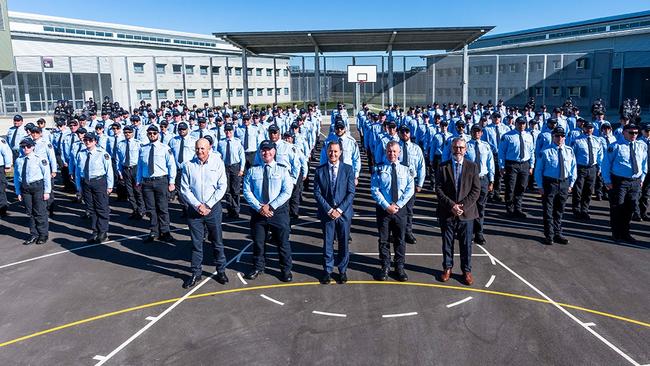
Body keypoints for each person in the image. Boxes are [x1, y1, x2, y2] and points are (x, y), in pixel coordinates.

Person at [180, 138, 229, 289]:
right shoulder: (188, 166)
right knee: (196, 244)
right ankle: (196, 272)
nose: (200, 151)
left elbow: (222, 186)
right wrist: (197, 205)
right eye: (197, 149)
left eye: (203, 148)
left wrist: (207, 205)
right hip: (194, 211)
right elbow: (184, 189)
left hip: (212, 209)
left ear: (209, 149)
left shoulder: (217, 163)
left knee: (217, 242)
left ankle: (221, 270)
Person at [243, 140, 294, 282]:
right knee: (258, 243)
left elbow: (287, 191)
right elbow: (247, 191)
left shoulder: (282, 170)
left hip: (278, 212)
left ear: (274, 152)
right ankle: (258, 267)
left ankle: (286, 270)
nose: (266, 153)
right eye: (263, 150)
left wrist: (270, 207)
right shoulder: (253, 170)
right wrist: (260, 207)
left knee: (283, 243)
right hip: (258, 212)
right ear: (260, 152)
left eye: (269, 150)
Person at [435, 137, 481, 286]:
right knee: (447, 243)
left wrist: (462, 207)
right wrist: (452, 206)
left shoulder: (472, 167)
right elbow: (439, 189)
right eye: (455, 147)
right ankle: (447, 268)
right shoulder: (443, 166)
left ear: (465, 150)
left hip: (466, 213)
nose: (458, 150)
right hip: (447, 212)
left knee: (466, 244)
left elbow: (476, 190)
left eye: (461, 148)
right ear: (451, 149)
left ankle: (466, 271)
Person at [313, 140, 355, 284]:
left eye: (336, 151)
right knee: (328, 243)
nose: (333, 154)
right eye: (330, 151)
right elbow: (317, 193)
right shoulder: (320, 170)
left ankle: (342, 270)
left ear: (340, 153)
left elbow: (351, 193)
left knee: (343, 243)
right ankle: (328, 270)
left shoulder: (348, 169)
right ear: (326, 151)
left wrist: (340, 209)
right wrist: (330, 209)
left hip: (344, 214)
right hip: (327, 213)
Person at [370, 141, 414, 282]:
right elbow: (374, 189)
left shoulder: (406, 170)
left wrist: (398, 205)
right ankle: (385, 266)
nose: (392, 154)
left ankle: (399, 267)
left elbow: (410, 190)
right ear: (386, 152)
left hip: (400, 210)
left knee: (400, 239)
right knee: (384, 240)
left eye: (394, 151)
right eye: (389, 151)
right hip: (384, 210)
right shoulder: (379, 169)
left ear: (399, 153)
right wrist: (386, 205)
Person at [601, 124, 648, 244]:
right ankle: (616, 233)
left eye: (636, 133)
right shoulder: (615, 146)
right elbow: (606, 164)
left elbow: (644, 163)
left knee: (629, 209)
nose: (634, 135)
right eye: (631, 133)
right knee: (617, 207)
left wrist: (642, 178)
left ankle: (626, 233)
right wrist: (607, 181)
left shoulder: (641, 146)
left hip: (635, 182)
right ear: (623, 132)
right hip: (619, 181)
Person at [534, 127, 577, 245]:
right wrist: (540, 186)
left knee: (559, 210)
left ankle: (558, 233)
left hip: (564, 183)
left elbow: (573, 168)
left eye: (562, 136)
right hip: (550, 183)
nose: (560, 138)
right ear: (553, 136)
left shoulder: (569, 150)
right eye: (557, 136)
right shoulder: (545, 151)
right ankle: (549, 235)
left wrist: (571, 184)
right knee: (548, 210)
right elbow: (538, 170)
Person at [136, 125, 177, 243]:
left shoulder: (165, 148)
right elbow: (140, 166)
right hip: (147, 182)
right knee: (151, 209)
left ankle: (165, 231)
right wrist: (138, 181)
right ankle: (154, 231)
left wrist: (172, 182)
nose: (152, 135)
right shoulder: (143, 148)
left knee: (162, 208)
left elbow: (171, 165)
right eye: (150, 133)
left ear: (158, 134)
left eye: (154, 133)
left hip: (161, 181)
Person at [74, 132, 114, 244]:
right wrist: (78, 186)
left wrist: (110, 186)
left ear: (95, 141)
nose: (87, 142)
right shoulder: (81, 154)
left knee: (101, 208)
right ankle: (95, 231)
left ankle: (103, 232)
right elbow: (78, 171)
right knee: (91, 209)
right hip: (86, 183)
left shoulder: (102, 154)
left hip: (99, 182)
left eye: (90, 140)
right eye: (85, 140)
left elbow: (109, 171)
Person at [14, 138, 51, 245]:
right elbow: (16, 177)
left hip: (37, 187)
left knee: (40, 212)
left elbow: (46, 176)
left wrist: (47, 191)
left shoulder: (40, 159)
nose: (26, 148)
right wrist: (18, 191)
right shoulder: (19, 160)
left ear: (33, 146)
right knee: (30, 213)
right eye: (23, 146)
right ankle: (33, 234)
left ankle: (43, 234)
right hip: (25, 188)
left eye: (28, 146)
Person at [498, 117, 535, 218]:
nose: (522, 125)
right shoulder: (507, 136)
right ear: (516, 124)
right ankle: (510, 209)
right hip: (511, 164)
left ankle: (518, 208)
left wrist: (531, 166)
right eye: (520, 123)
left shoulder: (529, 136)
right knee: (510, 187)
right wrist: (501, 166)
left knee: (522, 186)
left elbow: (531, 151)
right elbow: (502, 152)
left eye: (524, 123)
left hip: (524, 164)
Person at [465, 125, 494, 245]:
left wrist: (491, 180)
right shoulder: (466, 145)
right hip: (469, 179)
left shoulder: (486, 146)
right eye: (474, 131)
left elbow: (490, 163)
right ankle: (468, 233)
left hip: (482, 179)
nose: (476, 133)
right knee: (468, 206)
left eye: (478, 131)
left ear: (481, 133)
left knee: (481, 207)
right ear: (471, 132)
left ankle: (479, 233)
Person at [398, 125, 425, 244]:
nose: (404, 134)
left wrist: (419, 183)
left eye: (407, 131)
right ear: (399, 133)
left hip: (410, 182)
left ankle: (408, 232)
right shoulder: (394, 146)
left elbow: (421, 166)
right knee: (396, 208)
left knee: (409, 209)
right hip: (397, 182)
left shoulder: (416, 148)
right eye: (402, 131)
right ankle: (397, 232)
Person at [570, 121, 603, 220]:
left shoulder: (597, 140)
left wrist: (599, 168)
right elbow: (572, 156)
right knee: (578, 190)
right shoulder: (577, 141)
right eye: (587, 127)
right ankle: (576, 209)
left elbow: (600, 155)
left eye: (591, 128)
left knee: (588, 191)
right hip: (580, 168)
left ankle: (584, 210)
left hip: (592, 168)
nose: (589, 129)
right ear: (583, 128)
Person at [116, 126, 145, 219]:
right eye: (125, 132)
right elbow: (118, 160)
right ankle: (135, 210)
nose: (127, 134)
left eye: (129, 132)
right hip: (125, 169)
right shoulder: (120, 144)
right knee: (129, 192)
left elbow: (142, 159)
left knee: (138, 190)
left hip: (135, 169)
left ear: (132, 133)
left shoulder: (138, 144)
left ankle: (142, 209)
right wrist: (119, 172)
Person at [217, 123, 246, 218]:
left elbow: (242, 157)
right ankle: (230, 210)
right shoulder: (221, 142)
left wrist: (241, 169)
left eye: (230, 131)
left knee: (236, 190)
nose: (228, 133)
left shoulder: (237, 142)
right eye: (226, 131)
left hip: (235, 167)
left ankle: (236, 210)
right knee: (227, 190)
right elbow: (218, 156)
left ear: (233, 132)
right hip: (225, 167)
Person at [0, 134, 12, 217]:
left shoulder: (1, 141)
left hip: (0, 167)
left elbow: (6, 152)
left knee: (1, 187)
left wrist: (8, 165)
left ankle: (2, 209)